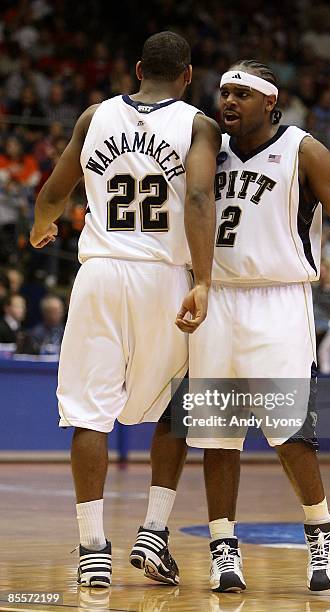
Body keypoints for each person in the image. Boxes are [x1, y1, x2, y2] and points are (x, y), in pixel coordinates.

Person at [139, 59, 330, 594]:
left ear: (270, 102)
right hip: (216, 299)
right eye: (223, 92)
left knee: (290, 434)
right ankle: (224, 548)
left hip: (279, 301)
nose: (227, 101)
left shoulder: (303, 149)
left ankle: (321, 530)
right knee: (217, 437)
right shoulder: (207, 147)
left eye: (241, 94)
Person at [29, 31, 221, 588]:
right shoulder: (198, 124)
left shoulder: (95, 116)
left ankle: (92, 547)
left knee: (90, 413)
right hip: (163, 278)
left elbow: (54, 192)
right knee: (177, 405)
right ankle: (154, 532)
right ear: (188, 77)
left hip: (99, 274)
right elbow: (202, 200)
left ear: (138, 69)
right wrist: (204, 280)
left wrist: (43, 226)